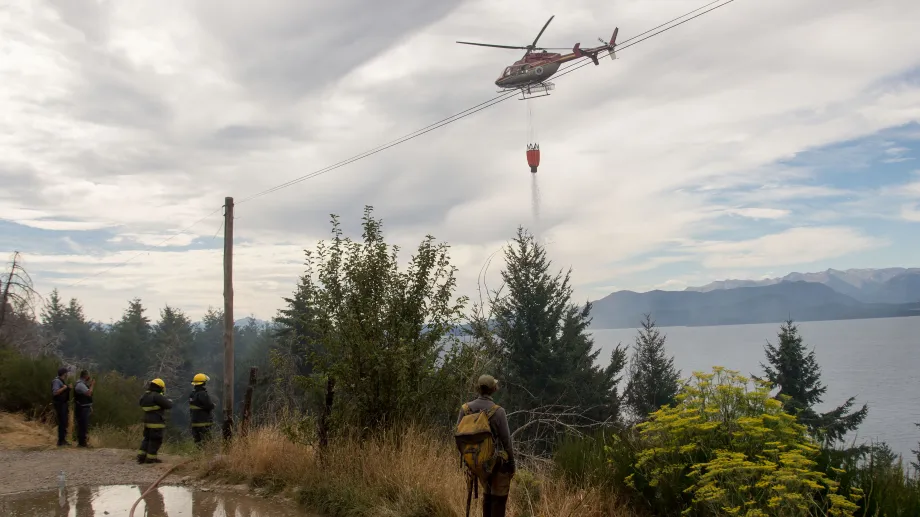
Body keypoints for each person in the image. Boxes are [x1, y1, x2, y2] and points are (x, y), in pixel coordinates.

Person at [456, 374, 516, 517]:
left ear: (478, 389)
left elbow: (458, 437)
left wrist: (469, 461)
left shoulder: (465, 409)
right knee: (498, 500)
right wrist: (512, 464)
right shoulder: (498, 411)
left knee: (487, 496)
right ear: (493, 389)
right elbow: (506, 441)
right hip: (496, 464)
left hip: (477, 464)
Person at [137, 378, 173, 464]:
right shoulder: (157, 396)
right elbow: (168, 405)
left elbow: (141, 404)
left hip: (147, 421)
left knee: (147, 438)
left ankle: (141, 457)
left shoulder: (145, 396)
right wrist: (169, 401)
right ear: (160, 387)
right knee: (155, 440)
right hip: (156, 422)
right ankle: (151, 459)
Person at [187, 373, 215, 447]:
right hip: (203, 421)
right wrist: (213, 405)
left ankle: (199, 456)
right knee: (206, 440)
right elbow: (209, 405)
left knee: (197, 440)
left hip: (194, 421)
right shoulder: (203, 394)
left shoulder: (192, 394)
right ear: (203, 383)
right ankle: (206, 456)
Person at [73, 370, 95, 447]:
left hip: (84, 407)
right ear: (85, 376)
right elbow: (89, 393)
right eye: (88, 375)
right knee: (83, 425)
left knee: (84, 425)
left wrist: (89, 406)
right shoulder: (80, 385)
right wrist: (92, 385)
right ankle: (82, 443)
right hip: (82, 408)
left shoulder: (83, 384)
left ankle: (83, 442)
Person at [51, 367, 72, 447]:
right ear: (64, 373)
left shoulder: (62, 381)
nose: (67, 374)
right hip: (60, 404)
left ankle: (63, 440)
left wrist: (68, 388)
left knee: (64, 422)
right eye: (66, 373)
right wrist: (64, 388)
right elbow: (55, 392)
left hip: (63, 404)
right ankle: (60, 441)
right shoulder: (57, 381)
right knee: (62, 422)